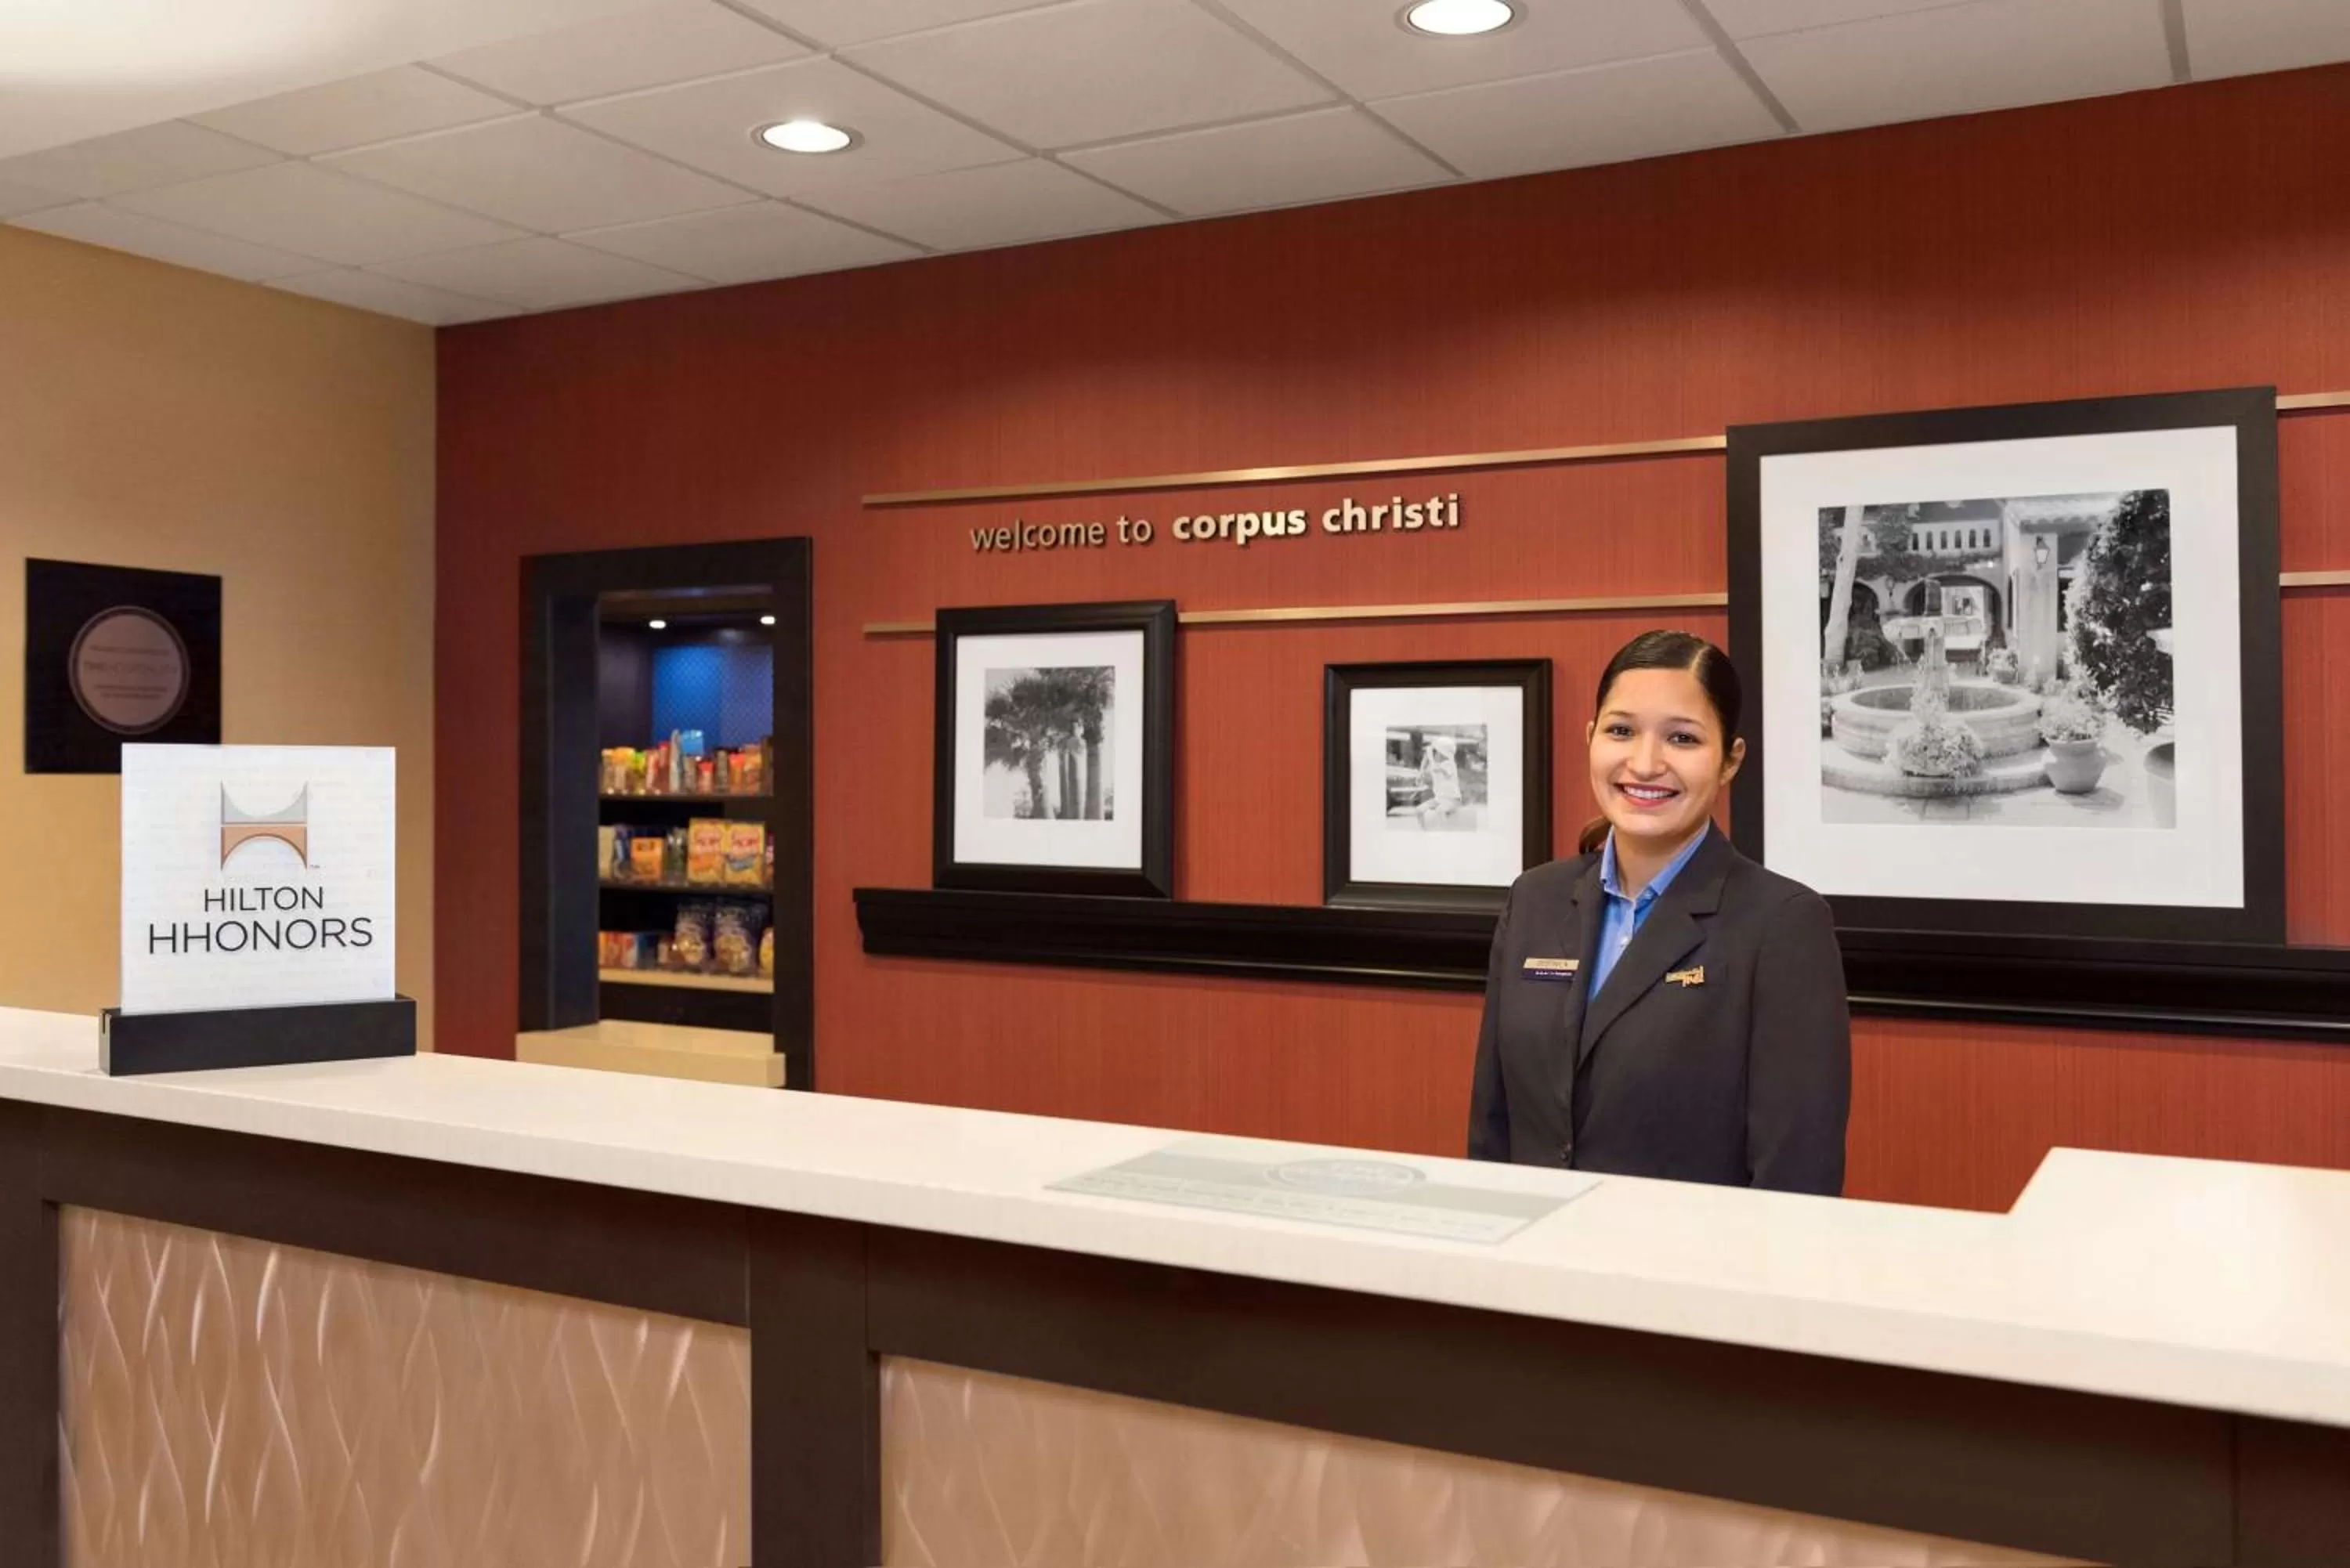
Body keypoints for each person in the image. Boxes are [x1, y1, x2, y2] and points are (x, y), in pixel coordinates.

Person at [1466, 630, 1851, 1194]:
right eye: (1621, 731)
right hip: (1535, 1266)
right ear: (1591, 738)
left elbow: (1798, 1177)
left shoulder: (1782, 924)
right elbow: (1492, 1130)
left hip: (1689, 1272)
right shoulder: (1535, 900)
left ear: (1729, 761)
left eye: (1682, 738)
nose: (1645, 763)